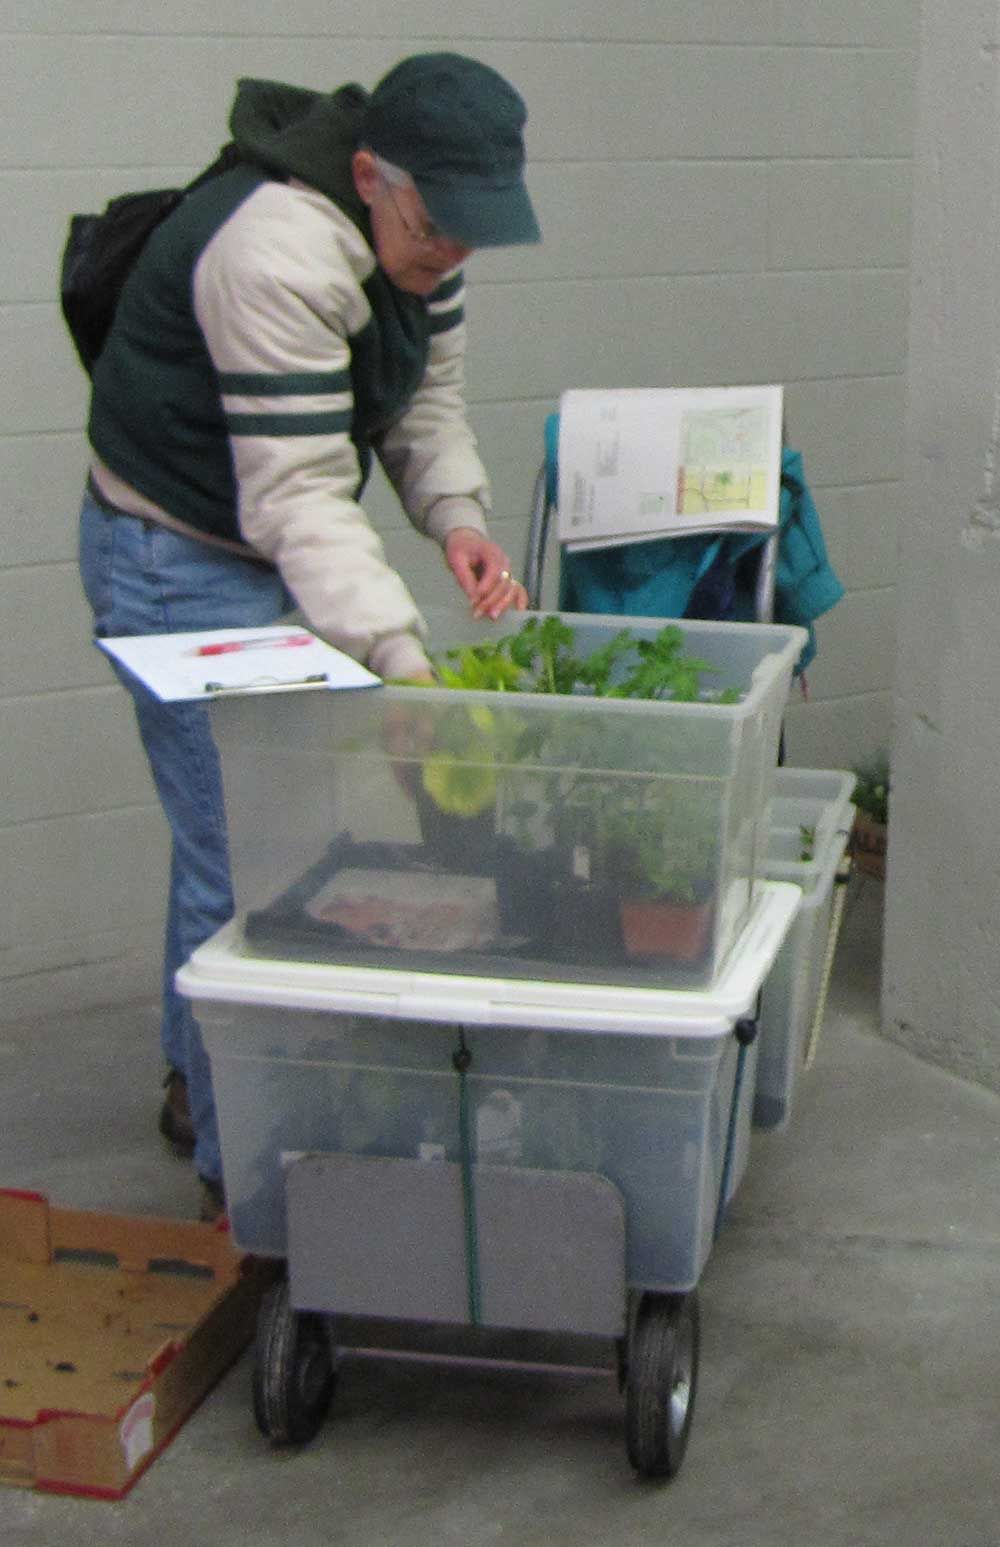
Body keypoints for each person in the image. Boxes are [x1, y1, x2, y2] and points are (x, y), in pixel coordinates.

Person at [77, 53, 541, 1219]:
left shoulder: (425, 237)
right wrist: (402, 660)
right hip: (174, 551)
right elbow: (297, 496)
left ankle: (200, 1080)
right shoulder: (275, 251)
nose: (453, 255)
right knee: (248, 853)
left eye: (474, 234)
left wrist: (460, 523)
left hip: (253, 540)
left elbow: (422, 402)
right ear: (370, 174)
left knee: (236, 841)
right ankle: (250, 1193)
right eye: (437, 226)